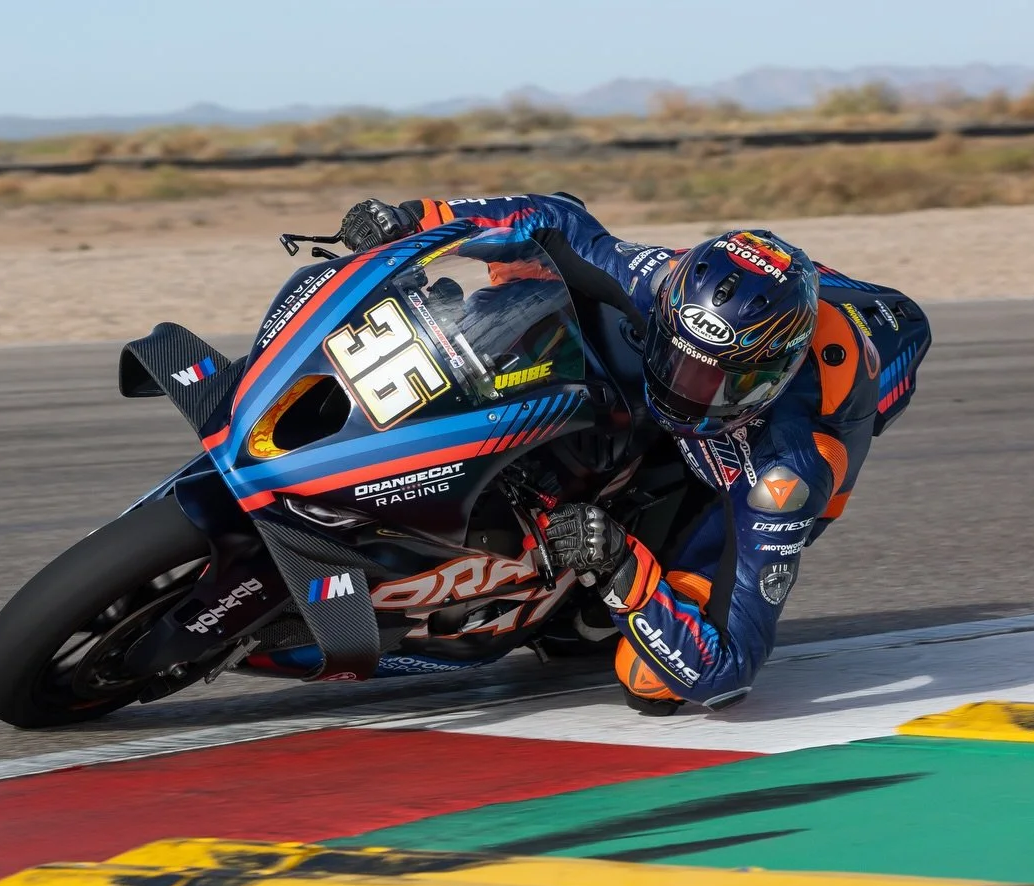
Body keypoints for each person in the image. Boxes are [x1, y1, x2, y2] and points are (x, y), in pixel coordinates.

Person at [339, 193, 929, 715]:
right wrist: (414, 219)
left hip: (769, 447)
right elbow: (556, 219)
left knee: (653, 681)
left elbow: (726, 672)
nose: (684, 389)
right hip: (750, 314)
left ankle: (581, 611)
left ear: (767, 381)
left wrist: (621, 570)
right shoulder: (658, 280)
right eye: (678, 359)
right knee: (538, 288)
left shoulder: (789, 471)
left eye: (715, 382)